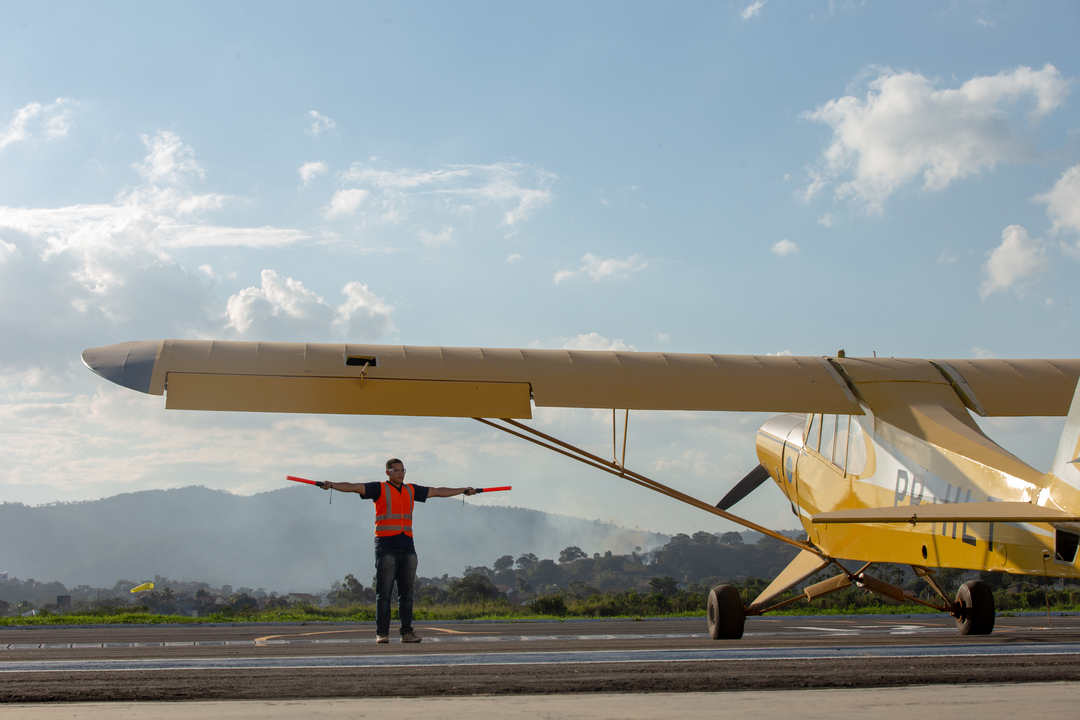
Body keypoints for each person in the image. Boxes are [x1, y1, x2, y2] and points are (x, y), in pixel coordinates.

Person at [321, 458, 474, 643]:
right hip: (386, 547)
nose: (401, 473)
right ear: (388, 473)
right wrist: (332, 485)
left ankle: (407, 633)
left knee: (406, 595)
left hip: (407, 547)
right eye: (397, 470)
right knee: (384, 594)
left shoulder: (411, 489)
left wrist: (463, 490)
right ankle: (382, 633)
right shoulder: (379, 488)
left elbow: (438, 491)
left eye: (403, 470)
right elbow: (354, 487)